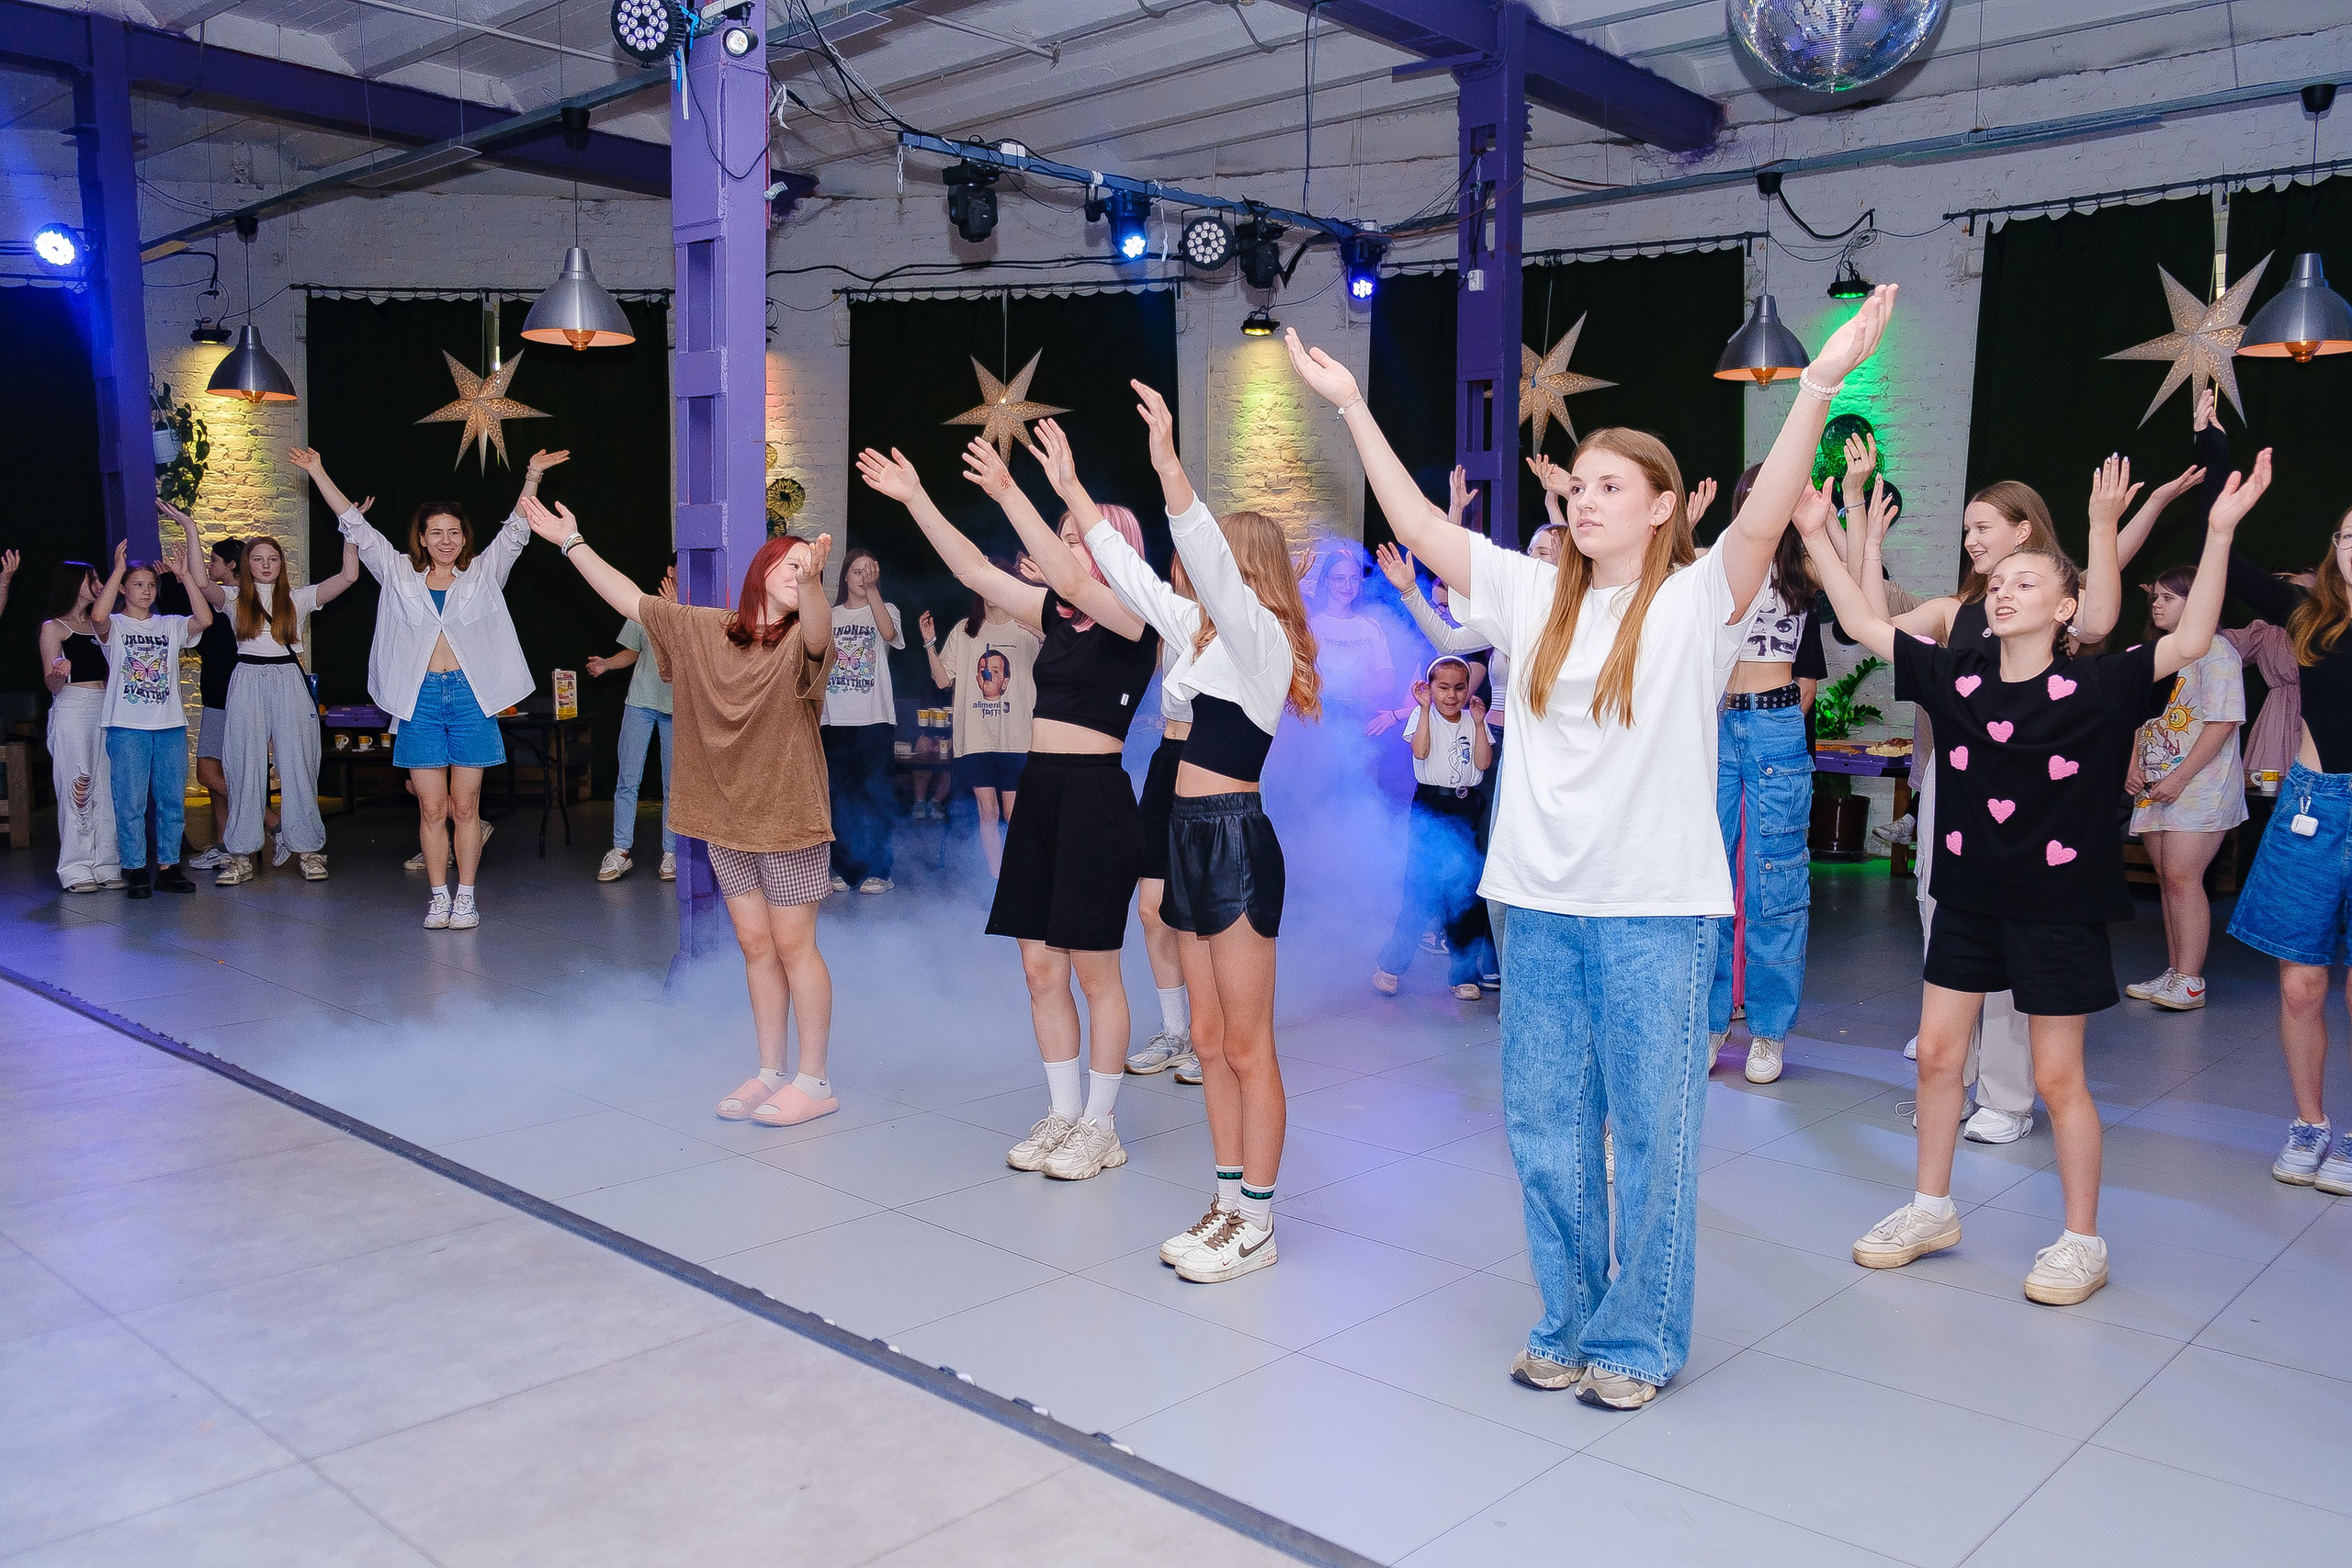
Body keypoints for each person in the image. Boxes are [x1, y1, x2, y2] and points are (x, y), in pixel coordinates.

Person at [1293, 286, 1897, 1406]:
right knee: (1545, 1129)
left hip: (1654, 911)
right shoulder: (1529, 594)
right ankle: (1567, 1318)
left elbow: (1763, 517)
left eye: (1610, 485)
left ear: (1664, 506)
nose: (1582, 498)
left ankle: (1636, 1341)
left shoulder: (1694, 603)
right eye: (1576, 485)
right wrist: (1348, 409)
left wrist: (1816, 387)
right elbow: (1423, 532)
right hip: (1536, 902)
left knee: (1655, 1137)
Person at [1815, 448, 2270, 1304]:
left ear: (2067, 607)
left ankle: (2080, 1238)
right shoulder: (1958, 678)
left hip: (2059, 908)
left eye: (2028, 579)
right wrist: (1819, 528)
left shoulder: (2098, 685)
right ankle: (1929, 1206)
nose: (2004, 589)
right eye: (2000, 582)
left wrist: (2216, 533)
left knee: (2059, 1079)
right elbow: (1867, 624)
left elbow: (2197, 637)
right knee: (1940, 1057)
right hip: (1968, 897)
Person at [855, 434, 1159, 1184]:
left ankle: (1101, 1124)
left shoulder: (1136, 618)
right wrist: (917, 497)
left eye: (1079, 535)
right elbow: (972, 569)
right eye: (1062, 536)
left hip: (1094, 795)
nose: (1064, 548)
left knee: (1097, 975)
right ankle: (1063, 1112)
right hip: (1043, 789)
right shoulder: (1057, 616)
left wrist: (1011, 491)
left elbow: (1079, 582)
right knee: (1037, 967)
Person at [1088, 387, 1320, 1284]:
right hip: (1187, 833)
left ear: (1243, 562)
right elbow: (1140, 580)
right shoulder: (1204, 637)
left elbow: (1194, 556)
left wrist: (1166, 465)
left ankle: (1257, 1220)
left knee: (1249, 1043)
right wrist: (1074, 495)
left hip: (1231, 837)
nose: (1201, 567)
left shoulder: (1260, 637)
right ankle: (1227, 1202)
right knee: (1212, 1041)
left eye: (1222, 552)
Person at [1854, 459, 2145, 1145]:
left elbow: (2101, 617)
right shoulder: (1960, 613)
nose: (1972, 541)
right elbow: (1869, 621)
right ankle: (1952, 1073)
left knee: (2024, 960)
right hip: (1952, 796)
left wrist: (2103, 525)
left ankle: (2008, 1098)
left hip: (2035, 814)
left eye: (1982, 527)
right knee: (1949, 933)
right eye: (1966, 531)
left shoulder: (2052, 610)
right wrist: (1867, 543)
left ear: (2023, 531)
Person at [526, 501, 843, 1129]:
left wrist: (812, 585)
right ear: (762, 568)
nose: (800, 571)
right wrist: (571, 540)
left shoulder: (804, 645)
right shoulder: (703, 628)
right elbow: (631, 600)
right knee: (755, 946)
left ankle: (815, 1078)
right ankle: (771, 1071)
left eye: (810, 568)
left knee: (792, 944)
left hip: (789, 818)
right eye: (790, 561)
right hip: (725, 820)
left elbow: (816, 633)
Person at [291, 447, 548, 927]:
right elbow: (356, 526)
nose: (447, 540)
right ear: (423, 539)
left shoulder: (483, 574)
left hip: (471, 699)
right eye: (437, 533)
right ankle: (439, 897)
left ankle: (467, 895)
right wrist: (317, 470)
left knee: (465, 805)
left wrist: (531, 474)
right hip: (420, 700)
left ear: (463, 537)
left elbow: (517, 529)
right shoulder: (398, 575)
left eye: (454, 532)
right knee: (432, 807)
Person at [2222, 473, 2352, 1196]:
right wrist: (2217, 468)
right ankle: (2309, 1123)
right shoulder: (2311, 615)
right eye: (2349, 535)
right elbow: (2234, 569)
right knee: (2301, 984)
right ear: (2334, 549)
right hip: (2313, 805)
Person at [1083, 522, 1202, 1083]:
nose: (1183, 570)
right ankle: (1176, 1031)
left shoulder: (1230, 620)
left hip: (1212, 766)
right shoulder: (1166, 617)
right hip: (1165, 761)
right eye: (1178, 561)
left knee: (1200, 912)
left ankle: (1209, 1036)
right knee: (1151, 907)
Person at [191, 523, 359, 887]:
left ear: (281, 564)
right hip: (247, 679)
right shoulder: (235, 600)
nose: (266, 565)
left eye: (273, 559)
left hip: (288, 678)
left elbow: (348, 576)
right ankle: (239, 855)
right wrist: (190, 529)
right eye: (258, 559)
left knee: (299, 764)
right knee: (242, 764)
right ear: (246, 564)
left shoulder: (297, 598)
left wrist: (349, 532)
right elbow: (202, 584)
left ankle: (310, 850)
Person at [2120, 563, 2245, 1010]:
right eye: (2154, 596)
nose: (2156, 604)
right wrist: (2132, 764)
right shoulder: (2156, 652)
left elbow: (2223, 722)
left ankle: (2191, 980)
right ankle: (2175, 972)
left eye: (2168, 598)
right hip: (2154, 785)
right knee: (2167, 880)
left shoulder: (2217, 652)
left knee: (2183, 878)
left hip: (2198, 786)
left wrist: (2178, 777)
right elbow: (2138, 717)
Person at [90, 540, 211, 897]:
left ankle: (168, 866)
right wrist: (116, 571)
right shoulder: (115, 624)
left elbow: (204, 619)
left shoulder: (169, 625)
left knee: (172, 799)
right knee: (130, 801)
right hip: (127, 725)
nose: (146, 591)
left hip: (169, 724)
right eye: (138, 584)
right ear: (125, 589)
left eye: (151, 584)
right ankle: (134, 867)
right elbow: (97, 618)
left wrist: (186, 576)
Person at [1374, 657, 1493, 999]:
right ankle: (1391, 966)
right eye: (1443, 687)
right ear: (1430, 689)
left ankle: (1464, 974)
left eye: (1459, 687)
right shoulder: (1420, 716)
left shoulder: (1473, 720)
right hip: (1431, 806)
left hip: (1466, 806)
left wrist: (1481, 723)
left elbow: (1483, 763)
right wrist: (1424, 710)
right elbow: (1421, 751)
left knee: (1466, 890)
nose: (1452, 695)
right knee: (1421, 889)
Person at [919, 570, 1039, 878]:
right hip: (975, 738)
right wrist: (930, 644)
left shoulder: (1026, 628)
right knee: (988, 811)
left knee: (1015, 814)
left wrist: (1045, 635)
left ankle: (1021, 877)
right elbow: (943, 679)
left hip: (1018, 738)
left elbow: (1057, 669)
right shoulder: (965, 631)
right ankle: (997, 879)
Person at [590, 555, 680, 885]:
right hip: (640, 704)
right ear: (670, 570)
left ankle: (672, 852)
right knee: (628, 779)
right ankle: (621, 850)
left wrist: (676, 611)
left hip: (678, 710)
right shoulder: (644, 607)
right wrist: (606, 665)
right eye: (680, 565)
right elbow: (633, 651)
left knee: (674, 785)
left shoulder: (696, 613)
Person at [158, 520, 243, 870]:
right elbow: (188, 616)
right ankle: (225, 845)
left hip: (228, 695)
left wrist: (175, 581)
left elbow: (199, 619)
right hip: (218, 694)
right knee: (217, 771)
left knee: (208, 773)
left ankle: (269, 821)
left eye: (215, 561)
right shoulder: (224, 600)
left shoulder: (232, 601)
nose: (209, 566)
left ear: (231, 565)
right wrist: (175, 581)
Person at [821, 547, 905, 895]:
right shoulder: (830, 615)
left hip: (874, 719)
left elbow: (888, 636)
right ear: (844, 576)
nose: (862, 577)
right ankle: (840, 867)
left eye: (869, 572)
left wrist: (873, 592)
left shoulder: (886, 610)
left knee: (875, 796)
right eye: (857, 572)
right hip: (834, 720)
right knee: (839, 797)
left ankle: (879, 871)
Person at [39, 560, 122, 892]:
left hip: (106, 707)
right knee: (78, 781)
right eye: (93, 579)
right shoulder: (54, 627)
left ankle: (106, 863)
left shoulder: (101, 624)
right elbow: (51, 683)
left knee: (107, 785)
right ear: (75, 583)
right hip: (73, 706)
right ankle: (75, 867)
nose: (99, 584)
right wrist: (57, 674)